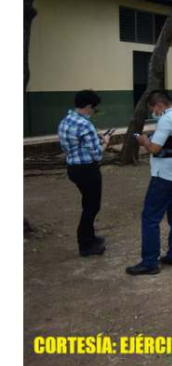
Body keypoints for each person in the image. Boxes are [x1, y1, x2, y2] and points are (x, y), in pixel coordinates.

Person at [126, 91, 172, 275]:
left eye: (152, 110)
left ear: (159, 105)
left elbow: (155, 149)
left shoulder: (166, 120)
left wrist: (143, 141)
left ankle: (150, 262)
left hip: (163, 175)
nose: (153, 114)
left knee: (150, 218)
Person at [58, 90, 112, 257]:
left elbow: (67, 146)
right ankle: (85, 245)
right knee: (92, 207)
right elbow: (97, 154)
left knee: (87, 204)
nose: (93, 112)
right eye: (93, 108)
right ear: (88, 106)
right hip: (88, 170)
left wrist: (94, 139)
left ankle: (90, 237)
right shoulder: (85, 125)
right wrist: (105, 143)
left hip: (73, 168)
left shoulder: (65, 121)